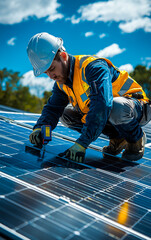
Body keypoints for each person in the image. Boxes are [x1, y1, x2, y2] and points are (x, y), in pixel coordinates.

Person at [27, 32, 151, 163]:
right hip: (113, 113)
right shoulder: (61, 84)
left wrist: (82, 143)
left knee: (115, 106)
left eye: (52, 69)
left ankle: (136, 138)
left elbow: (102, 105)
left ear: (63, 56)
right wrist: (40, 128)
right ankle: (118, 138)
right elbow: (52, 109)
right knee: (65, 114)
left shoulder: (93, 67)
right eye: (46, 72)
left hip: (138, 108)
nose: (51, 76)